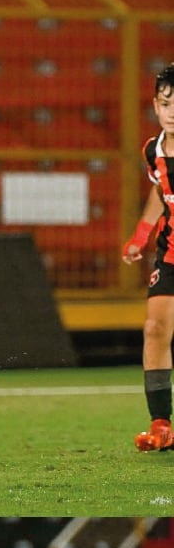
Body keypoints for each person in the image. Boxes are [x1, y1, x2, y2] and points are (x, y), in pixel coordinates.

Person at [122, 62, 174, 453]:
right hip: (170, 255)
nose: (171, 112)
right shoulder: (153, 150)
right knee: (155, 330)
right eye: (165, 104)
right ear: (155, 106)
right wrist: (140, 236)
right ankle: (161, 425)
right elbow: (160, 193)